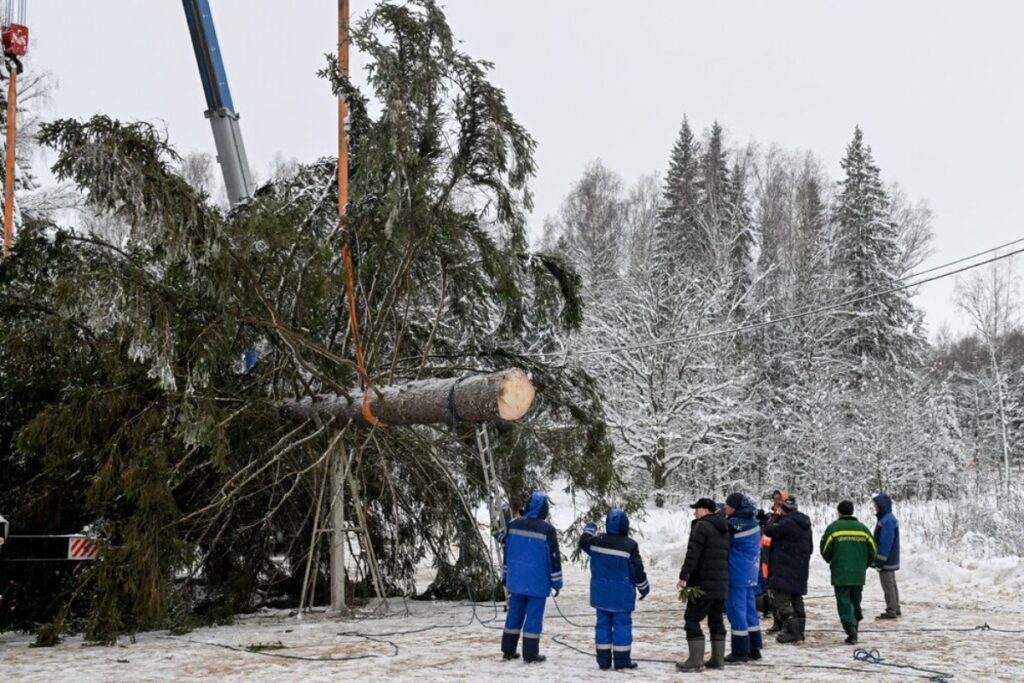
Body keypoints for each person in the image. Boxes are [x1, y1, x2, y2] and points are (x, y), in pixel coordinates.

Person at [579, 508, 650, 670]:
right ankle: (622, 661)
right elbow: (637, 570)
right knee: (622, 626)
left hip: (601, 594)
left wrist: (589, 528)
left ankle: (603, 661)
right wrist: (644, 588)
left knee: (602, 625)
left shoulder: (596, 542)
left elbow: (583, 542)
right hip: (622, 596)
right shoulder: (629, 545)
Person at [500, 491, 563, 663]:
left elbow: (507, 553)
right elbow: (553, 558)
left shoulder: (513, 526)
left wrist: (505, 575)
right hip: (537, 582)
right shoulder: (547, 530)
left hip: (517, 580)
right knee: (534, 618)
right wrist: (557, 582)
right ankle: (530, 653)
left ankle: (508, 650)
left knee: (514, 613)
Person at [675, 497, 730, 672]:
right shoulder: (723, 527)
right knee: (716, 620)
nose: (694, 513)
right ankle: (718, 660)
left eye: (697, 509)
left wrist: (684, 576)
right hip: (720, 583)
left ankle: (695, 661)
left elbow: (693, 553)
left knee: (691, 619)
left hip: (702, 583)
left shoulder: (702, 526)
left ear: (705, 510)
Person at [820, 500, 876, 644]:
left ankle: (850, 629)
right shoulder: (863, 529)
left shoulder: (834, 528)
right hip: (858, 573)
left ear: (839, 512)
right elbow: (873, 551)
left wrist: (831, 560)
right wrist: (863, 564)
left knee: (844, 601)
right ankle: (855, 624)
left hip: (840, 572)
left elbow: (825, 549)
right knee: (856, 600)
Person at [763, 493, 812, 644]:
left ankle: (792, 632)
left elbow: (768, 530)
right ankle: (800, 631)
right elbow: (810, 547)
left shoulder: (786, 523)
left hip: (784, 568)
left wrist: (775, 517)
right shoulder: (804, 523)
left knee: (782, 600)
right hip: (799, 567)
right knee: (797, 599)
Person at [724, 492, 762, 663]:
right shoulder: (751, 520)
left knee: (736, 610)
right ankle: (754, 647)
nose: (726, 507)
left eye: (728, 505)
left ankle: (740, 651)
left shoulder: (735, 524)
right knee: (749, 610)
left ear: (736, 507)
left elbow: (721, 530)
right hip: (750, 571)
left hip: (736, 572)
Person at [872, 493, 902, 619]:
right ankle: (895, 607)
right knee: (891, 584)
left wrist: (880, 559)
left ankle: (891, 610)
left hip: (887, 559)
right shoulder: (887, 518)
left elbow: (885, 542)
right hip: (890, 558)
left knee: (888, 585)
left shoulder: (887, 520)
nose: (874, 507)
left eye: (876, 504)